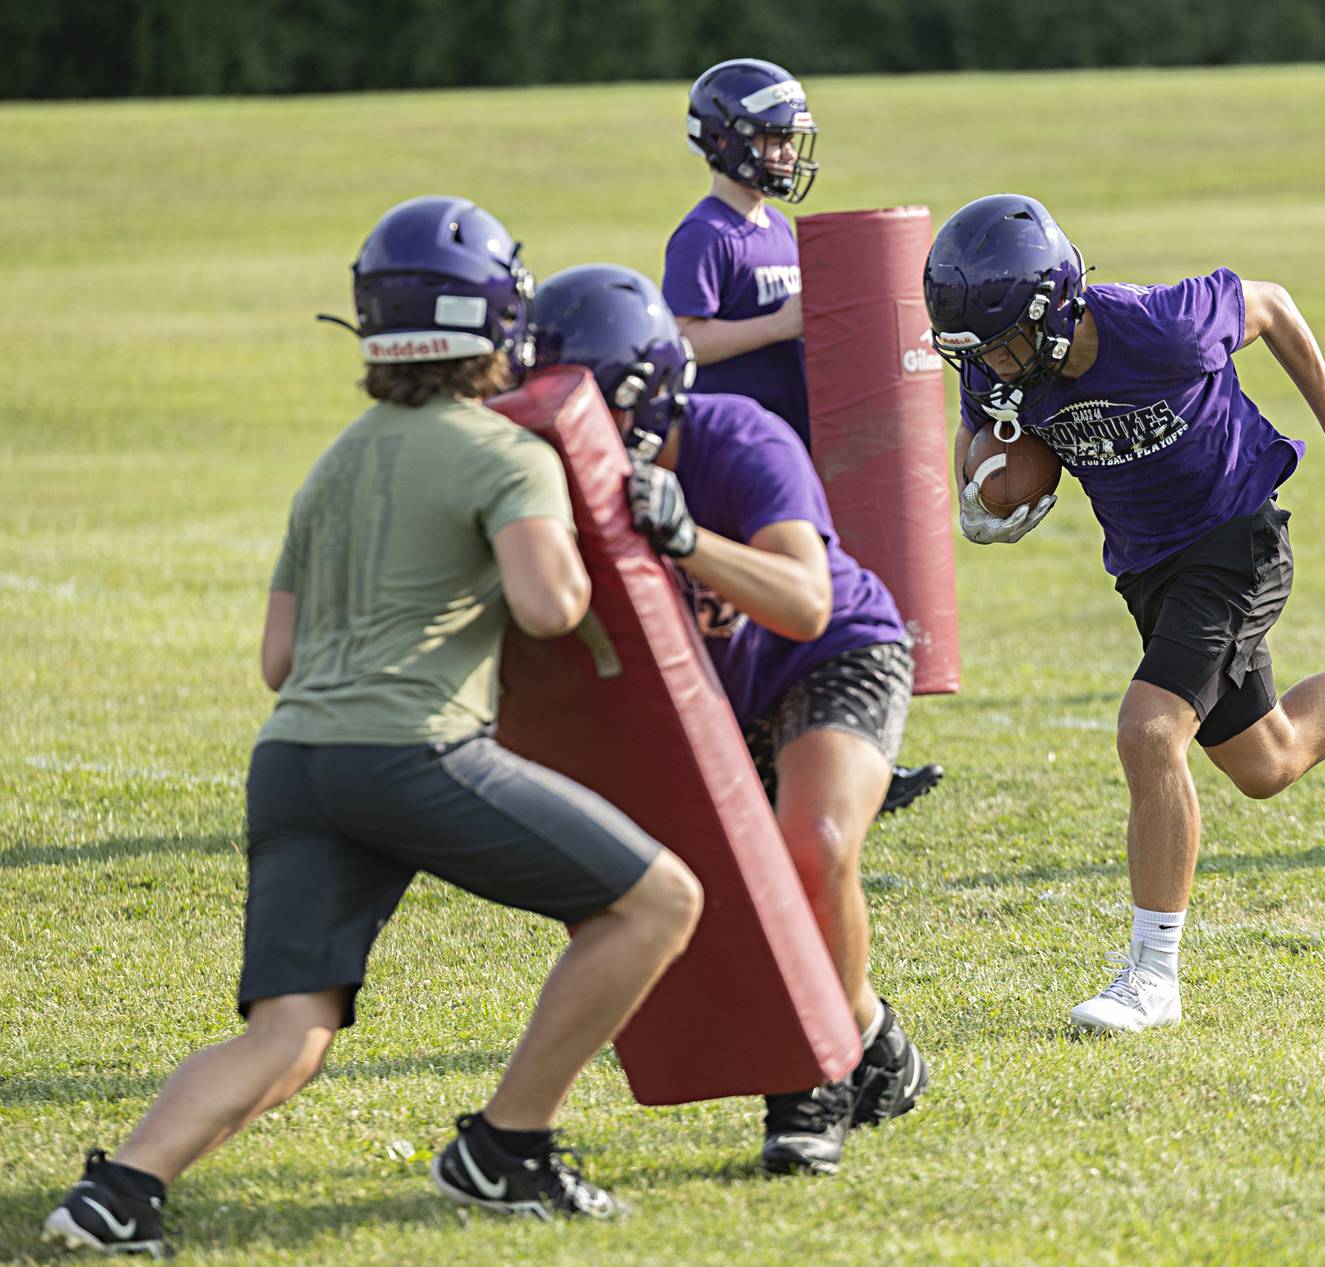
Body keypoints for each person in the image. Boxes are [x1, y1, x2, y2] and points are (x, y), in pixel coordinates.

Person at [42, 197, 703, 1256]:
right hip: (408, 752)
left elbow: (279, 662)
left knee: (289, 1032)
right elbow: (549, 608)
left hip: (295, 762)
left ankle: (117, 1195)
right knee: (658, 901)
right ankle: (507, 1147)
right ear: (493, 319)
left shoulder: (333, 462)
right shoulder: (503, 453)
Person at [924, 193, 1325, 1035]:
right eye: (976, 349)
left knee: (1148, 730)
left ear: (1054, 307)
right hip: (1149, 568)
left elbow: (1275, 303)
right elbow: (984, 443)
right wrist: (980, 493)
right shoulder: (992, 365)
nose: (992, 365)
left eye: (1002, 343)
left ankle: (1152, 977)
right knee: (1268, 760)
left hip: (1235, 539)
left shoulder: (1161, 325)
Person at [531, 263, 929, 1176]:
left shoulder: (740, 437)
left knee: (815, 845)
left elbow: (805, 602)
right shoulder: (557, 486)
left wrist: (687, 539)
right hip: (708, 691)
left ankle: (812, 1084)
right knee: (703, 897)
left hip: (828, 656)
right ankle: (870, 1033)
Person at [664, 55, 942, 816]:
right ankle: (770, 760)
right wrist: (784, 323)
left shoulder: (781, 228)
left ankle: (854, 753)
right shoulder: (705, 234)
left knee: (831, 598)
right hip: (737, 458)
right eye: (773, 139)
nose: (787, 155)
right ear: (725, 141)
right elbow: (683, 339)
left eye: (791, 140)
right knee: (764, 611)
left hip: (795, 448)